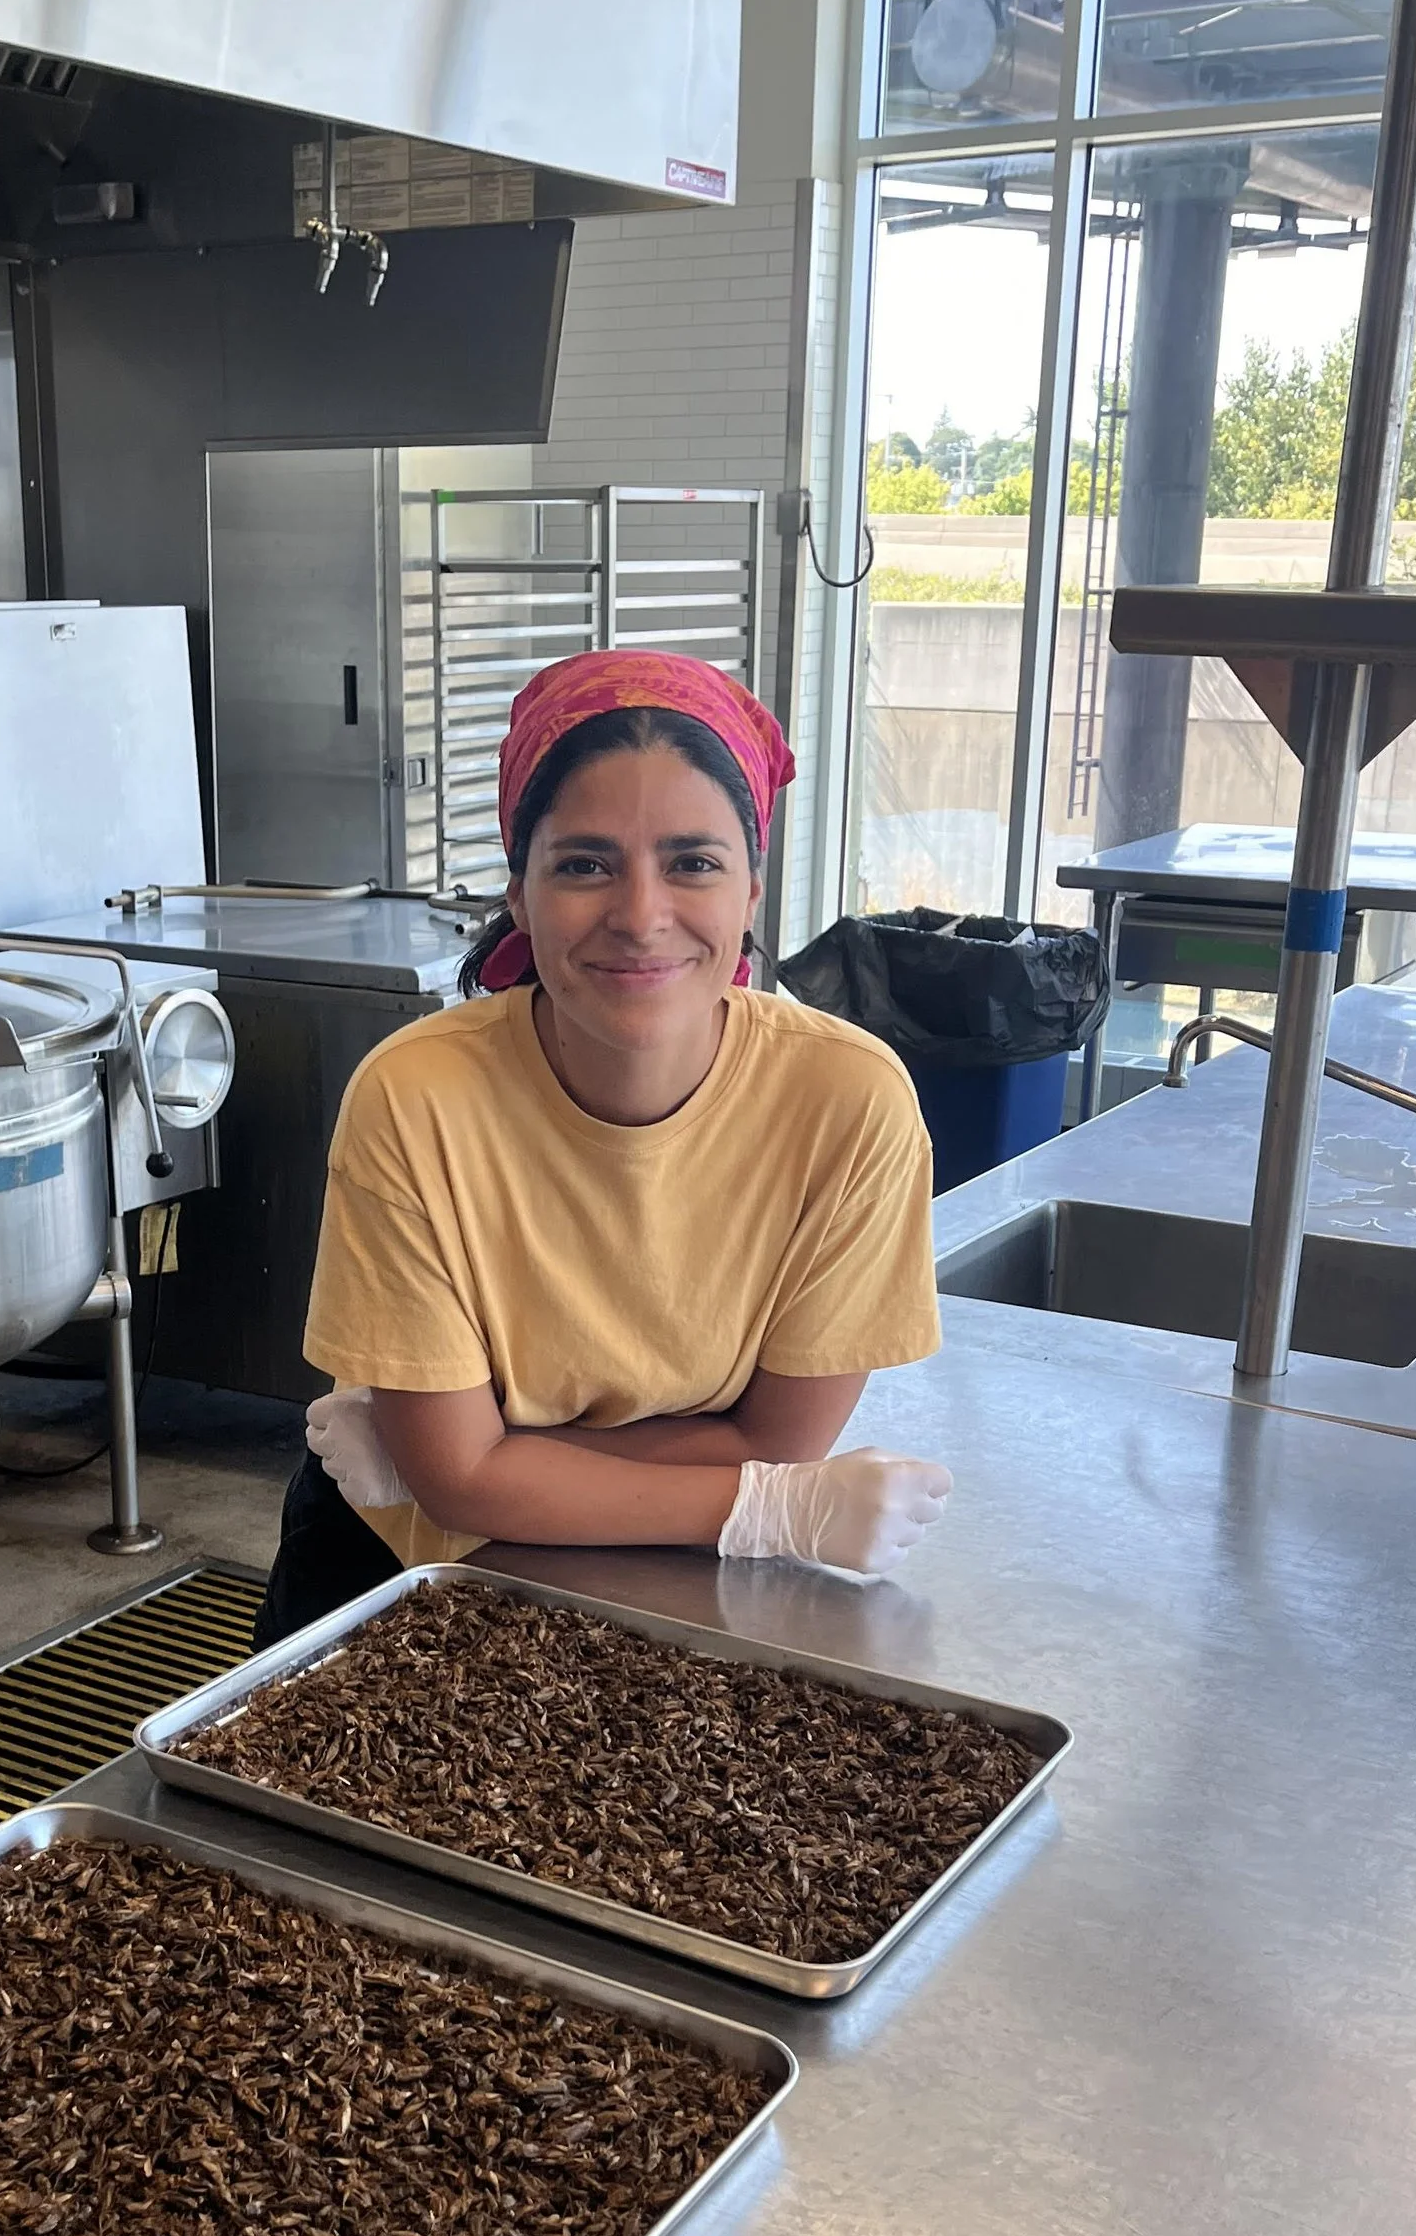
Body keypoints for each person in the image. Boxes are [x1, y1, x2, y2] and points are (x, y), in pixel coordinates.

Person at [255, 648, 950, 1647]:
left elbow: (780, 1439)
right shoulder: (418, 1099)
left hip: (688, 1580)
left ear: (751, 887)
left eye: (692, 862)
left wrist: (492, 1465)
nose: (638, 916)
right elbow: (468, 1478)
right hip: (397, 1558)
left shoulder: (846, 1103)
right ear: (519, 891)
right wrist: (763, 1505)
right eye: (582, 864)